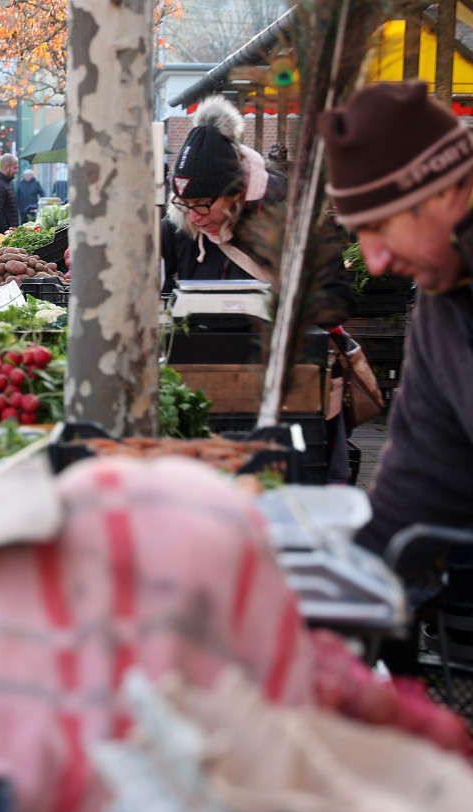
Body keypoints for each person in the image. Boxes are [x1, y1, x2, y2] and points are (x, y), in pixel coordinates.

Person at [318, 81, 473, 557]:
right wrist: (357, 569)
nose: (375, 261)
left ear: (445, 192)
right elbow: (420, 465)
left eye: (381, 227)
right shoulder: (441, 294)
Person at [159, 95, 353, 326]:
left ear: (235, 192)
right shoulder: (180, 222)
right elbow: (140, 283)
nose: (193, 216)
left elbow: (337, 300)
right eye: (185, 203)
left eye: (202, 203)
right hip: (196, 347)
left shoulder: (293, 217)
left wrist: (274, 309)